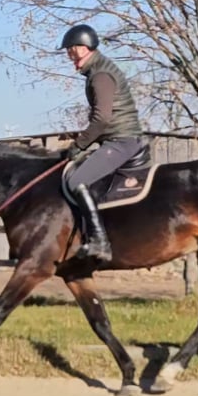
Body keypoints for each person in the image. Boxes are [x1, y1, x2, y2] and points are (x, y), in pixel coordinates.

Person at [59, 23, 145, 263]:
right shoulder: (99, 70)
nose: (71, 57)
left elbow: (102, 118)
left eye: (73, 51)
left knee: (76, 180)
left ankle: (100, 241)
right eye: (69, 53)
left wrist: (79, 145)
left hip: (122, 140)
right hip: (118, 138)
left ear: (85, 48)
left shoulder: (100, 75)